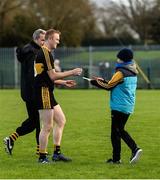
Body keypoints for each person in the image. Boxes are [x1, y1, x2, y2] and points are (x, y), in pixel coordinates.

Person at [34, 29, 82, 163]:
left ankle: (56, 153)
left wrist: (64, 82)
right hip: (43, 91)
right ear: (49, 39)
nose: (58, 42)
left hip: (47, 90)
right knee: (47, 126)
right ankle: (42, 157)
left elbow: (47, 77)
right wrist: (72, 72)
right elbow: (52, 75)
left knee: (61, 120)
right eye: (56, 39)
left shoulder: (46, 53)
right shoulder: (45, 53)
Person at [90, 48, 142, 164]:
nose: (117, 59)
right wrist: (102, 80)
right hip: (128, 106)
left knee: (118, 131)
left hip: (119, 106)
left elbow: (109, 86)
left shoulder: (120, 72)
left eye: (118, 57)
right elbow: (114, 83)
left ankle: (135, 149)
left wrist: (95, 82)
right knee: (116, 132)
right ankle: (116, 159)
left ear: (122, 59)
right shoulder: (132, 71)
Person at [3, 29, 46, 155]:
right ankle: (40, 151)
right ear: (36, 39)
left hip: (28, 92)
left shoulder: (29, 50)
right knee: (39, 121)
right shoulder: (33, 52)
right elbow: (32, 75)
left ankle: (11, 139)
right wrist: (37, 91)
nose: (44, 43)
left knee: (34, 122)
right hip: (33, 92)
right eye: (43, 40)